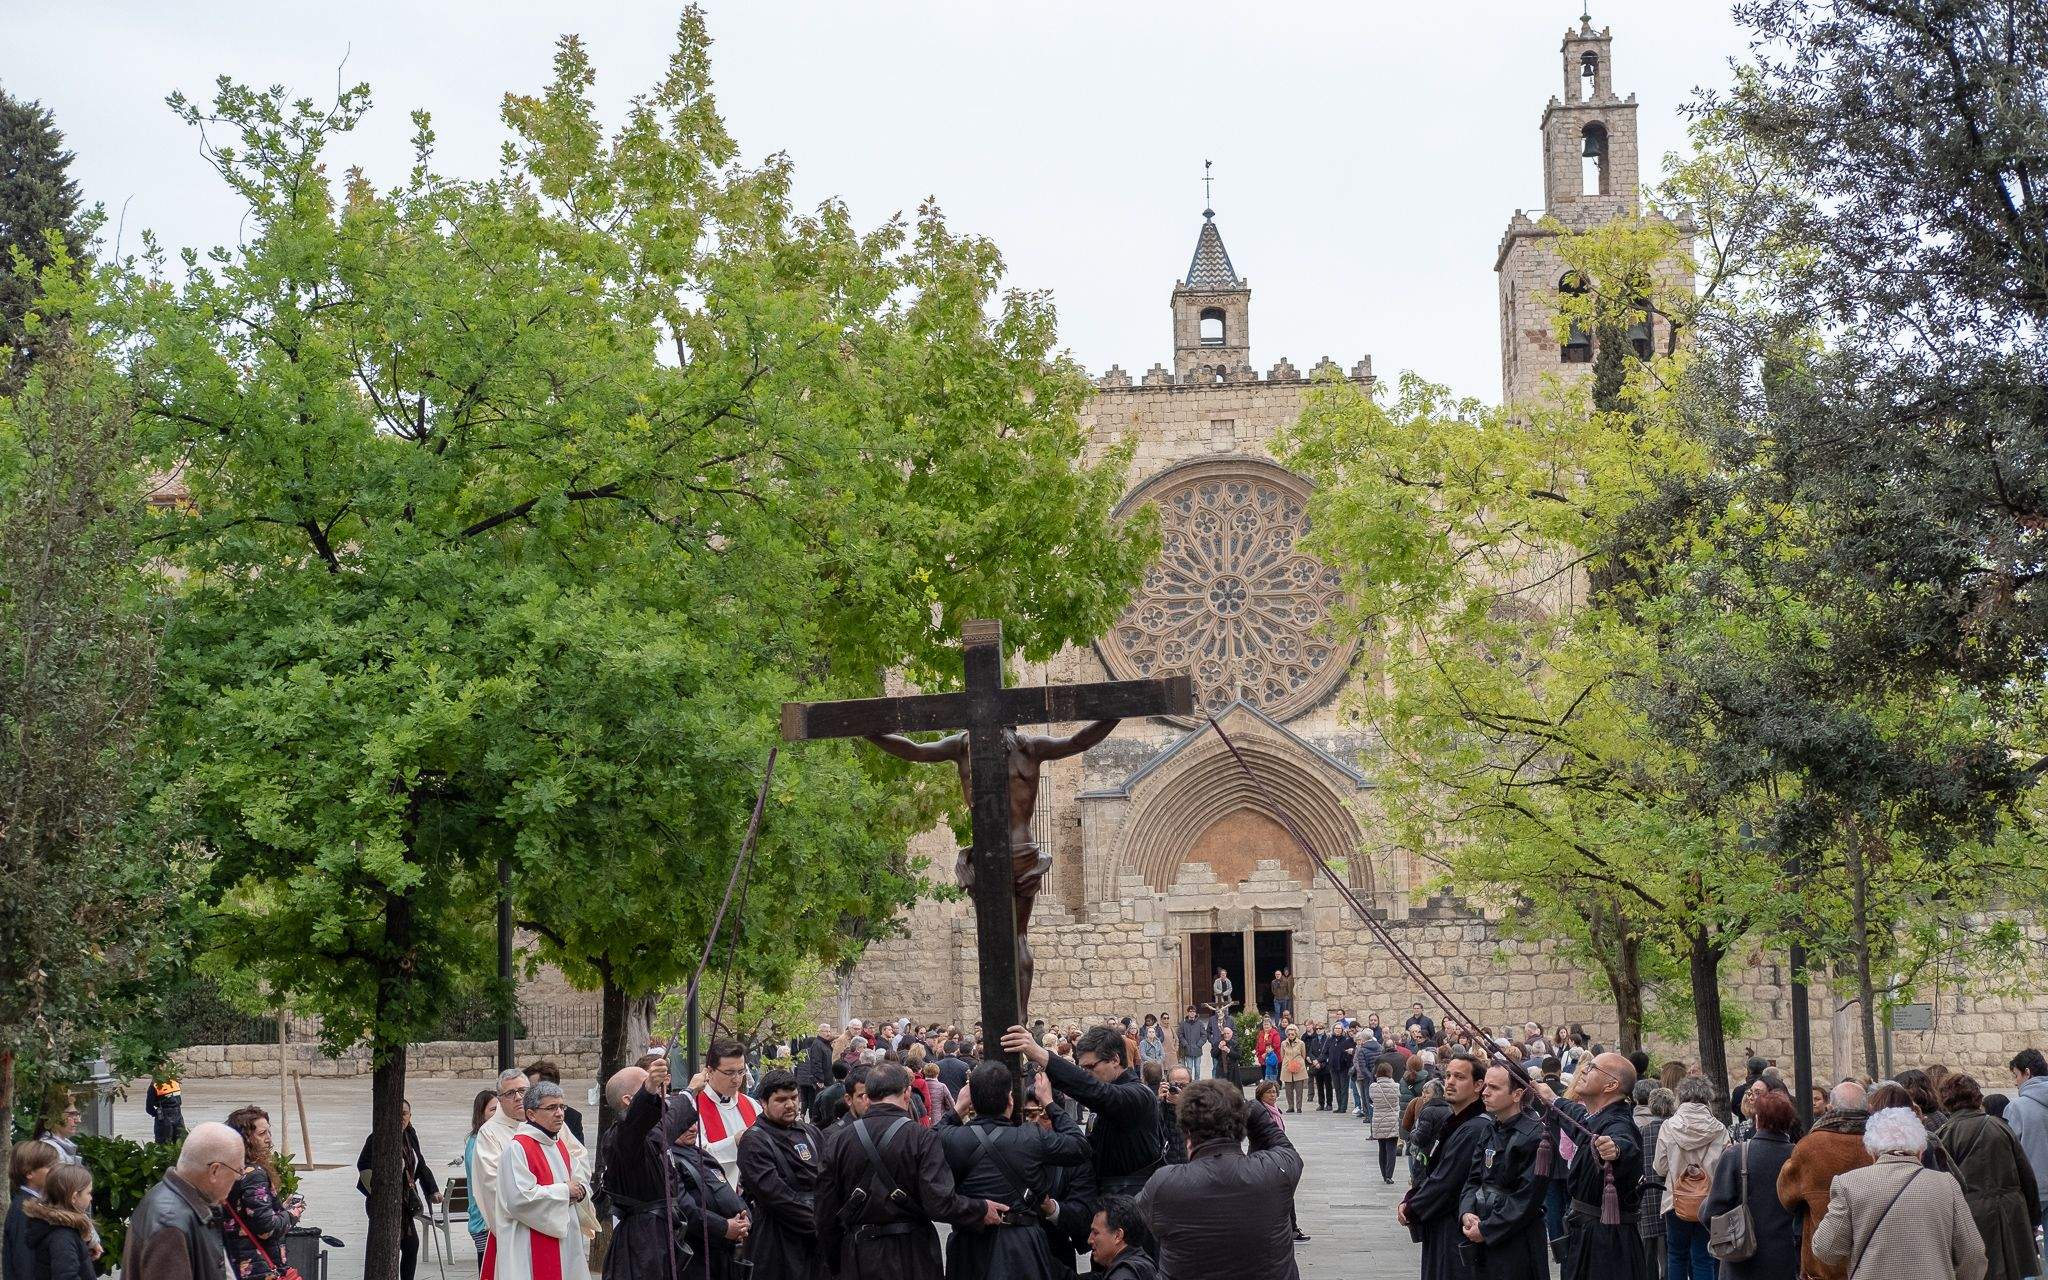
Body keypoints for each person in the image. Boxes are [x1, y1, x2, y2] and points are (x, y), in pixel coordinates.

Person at [815, 1062, 1002, 1280]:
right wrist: (979, 1208)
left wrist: (836, 1262)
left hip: (859, 1253)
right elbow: (939, 1202)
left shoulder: (838, 1140)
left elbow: (825, 1212)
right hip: (912, 1255)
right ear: (907, 1093)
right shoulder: (921, 1137)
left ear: (868, 1096)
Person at [935, 1060, 1089, 1280]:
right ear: (1010, 1099)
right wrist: (1049, 1103)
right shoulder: (1030, 1137)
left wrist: (957, 1110)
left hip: (970, 1242)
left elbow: (926, 1142)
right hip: (1021, 1243)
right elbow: (1079, 1145)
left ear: (972, 1102)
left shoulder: (952, 1137)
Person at [1137, 1077, 1302, 1280]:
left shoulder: (1164, 1184)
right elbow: (1284, 1147)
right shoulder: (1275, 1171)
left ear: (1186, 1130)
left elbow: (1132, 1222)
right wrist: (1254, 1111)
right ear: (1241, 1126)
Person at [1811, 1105, 1986, 1280]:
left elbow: (1825, 1249)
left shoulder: (1848, 1184)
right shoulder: (1946, 1185)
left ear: (1871, 1151)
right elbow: (1973, 1253)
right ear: (1921, 1151)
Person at [1004, 1025, 1165, 1198]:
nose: (1087, 1074)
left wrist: (1042, 1055)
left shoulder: (1138, 1095)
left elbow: (1097, 1092)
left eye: (1090, 1067)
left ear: (1115, 1060)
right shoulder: (1106, 1097)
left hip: (1132, 1201)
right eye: (1083, 1069)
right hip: (1106, 1196)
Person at [1530, 1050, 1647, 1279]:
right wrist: (1552, 1099)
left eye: (1592, 1068)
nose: (1583, 1069)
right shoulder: (1597, 1118)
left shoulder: (1618, 1123)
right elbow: (1578, 1120)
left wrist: (1615, 1150)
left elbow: (1626, 1145)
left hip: (1607, 1247)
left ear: (1611, 1085)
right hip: (1587, 1236)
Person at [1935, 1073, 2040, 1280]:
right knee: (2011, 1271)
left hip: (1972, 1216)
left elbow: (1942, 1184)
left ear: (1946, 1100)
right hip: (2011, 1212)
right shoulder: (2000, 1126)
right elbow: (2026, 1175)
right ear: (1977, 1096)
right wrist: (2033, 1218)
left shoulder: (1945, 1134)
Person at [494, 1081, 594, 1280]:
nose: (559, 1113)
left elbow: (579, 1181)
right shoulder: (518, 1148)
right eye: (551, 1108)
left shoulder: (559, 1144)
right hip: (530, 1240)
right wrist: (565, 1191)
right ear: (531, 1114)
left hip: (565, 1238)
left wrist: (581, 1190)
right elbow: (519, 1199)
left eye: (561, 1107)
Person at [1699, 1087, 1801, 1280]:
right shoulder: (1799, 1157)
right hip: (1785, 1258)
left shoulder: (1737, 1155)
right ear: (1789, 1123)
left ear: (1757, 1119)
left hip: (1741, 1257)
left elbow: (1711, 1213)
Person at [1401, 1051, 1486, 1280]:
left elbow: (1447, 1181)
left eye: (1459, 1077)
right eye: (1448, 1075)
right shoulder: (1455, 1122)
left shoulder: (1473, 1128)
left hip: (1455, 1226)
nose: (1449, 1081)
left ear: (1478, 1086)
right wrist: (1413, 1196)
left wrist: (1412, 1207)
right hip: (1441, 1225)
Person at [1458, 1064, 1549, 1279]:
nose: (1485, 1092)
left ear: (1517, 1094)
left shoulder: (1535, 1136)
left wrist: (1488, 1229)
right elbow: (1474, 1179)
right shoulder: (1490, 1128)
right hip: (1483, 1225)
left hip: (1515, 1238)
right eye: (1485, 1085)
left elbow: (1527, 1197)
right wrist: (1467, 1212)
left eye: (1494, 1088)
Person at [1777, 1079, 1872, 1280]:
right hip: (1870, 1261)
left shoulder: (1810, 1146)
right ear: (1867, 1107)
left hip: (1823, 1265)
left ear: (1831, 1107)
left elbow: (1786, 1197)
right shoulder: (1879, 1143)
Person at [122, 1121, 242, 1280]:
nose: (237, 1179)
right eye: (237, 1172)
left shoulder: (180, 1201)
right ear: (214, 1170)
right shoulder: (170, 1223)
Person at [734, 1069, 822, 1280]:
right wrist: (818, 1224)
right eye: (781, 1100)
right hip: (777, 1238)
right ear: (764, 1102)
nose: (790, 1105)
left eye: (793, 1098)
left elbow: (828, 1178)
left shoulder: (811, 1132)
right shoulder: (755, 1141)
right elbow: (775, 1195)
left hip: (816, 1236)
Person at [352, 1101, 439, 1280]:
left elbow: (420, 1164)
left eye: (405, 1114)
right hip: (383, 1203)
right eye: (397, 1114)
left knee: (411, 1245)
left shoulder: (410, 1135)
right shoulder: (377, 1137)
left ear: (410, 1116)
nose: (401, 1118)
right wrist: (379, 1189)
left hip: (405, 1202)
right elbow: (363, 1166)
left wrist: (433, 1190)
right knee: (390, 1247)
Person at [1653, 1076, 1726, 1280]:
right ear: (1707, 1099)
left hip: (1675, 1200)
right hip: (1708, 1200)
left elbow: (1660, 1167)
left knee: (1676, 1255)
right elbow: (1724, 1167)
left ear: (1681, 1097)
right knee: (1704, 1257)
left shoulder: (1668, 1126)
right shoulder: (1719, 1128)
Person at [225, 1107, 302, 1280]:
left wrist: (280, 1208)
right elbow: (266, 1228)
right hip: (257, 1267)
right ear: (245, 1139)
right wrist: (291, 1215)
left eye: (268, 1131)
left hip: (234, 1261)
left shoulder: (230, 1168)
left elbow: (248, 1214)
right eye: (261, 1134)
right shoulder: (254, 1174)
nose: (268, 1139)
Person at [473, 1067, 531, 1280]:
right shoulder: (489, 1133)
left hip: (548, 1222)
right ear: (500, 1098)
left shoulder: (544, 1123)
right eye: (510, 1094)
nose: (518, 1098)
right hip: (514, 1228)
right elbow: (493, 1183)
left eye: (523, 1091)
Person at [694, 1039, 761, 1186]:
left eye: (741, 1071)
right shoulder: (694, 1106)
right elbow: (697, 1155)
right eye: (729, 1073)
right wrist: (735, 1142)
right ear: (710, 1071)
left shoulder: (751, 1104)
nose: (736, 1079)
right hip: (716, 1193)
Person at [2004, 1048, 2048, 1255]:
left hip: (2031, 1188)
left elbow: (2008, 1152)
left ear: (2027, 1073)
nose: (2015, 1082)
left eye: (2016, 1075)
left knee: (2025, 1252)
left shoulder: (2017, 1108)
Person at [21, 1164, 94, 1280]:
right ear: (74, 1197)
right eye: (89, 1193)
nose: (91, 1198)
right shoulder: (63, 1236)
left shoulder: (53, 1226)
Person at [9, 1140, 62, 1280]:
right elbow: (23, 1259)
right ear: (29, 1173)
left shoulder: (35, 1203)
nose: (57, 1170)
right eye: (51, 1166)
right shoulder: (23, 1208)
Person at [1636, 1088, 1674, 1279]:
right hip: (1669, 1193)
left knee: (1648, 1248)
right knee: (1669, 1249)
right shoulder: (1675, 1131)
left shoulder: (1642, 1132)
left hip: (1647, 1193)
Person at [1086, 1196, 1158, 1280]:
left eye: (1095, 1233)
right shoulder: (1142, 1264)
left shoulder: (1123, 1275)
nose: (1089, 1240)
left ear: (1118, 1235)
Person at [464, 1089, 498, 1262]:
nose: (498, 1113)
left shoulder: (490, 1138)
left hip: (490, 1220)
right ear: (481, 1114)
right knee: (488, 1267)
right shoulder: (477, 1142)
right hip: (484, 1222)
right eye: (493, 1109)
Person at [525, 1062, 584, 1144]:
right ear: (531, 1114)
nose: (559, 1114)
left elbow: (578, 1153)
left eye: (531, 1089)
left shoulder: (572, 1118)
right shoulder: (520, 1115)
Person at [1369, 1062, 1403, 1184]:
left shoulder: (1373, 1087)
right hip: (1393, 1119)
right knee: (1391, 1148)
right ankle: (1389, 1175)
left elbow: (1371, 1099)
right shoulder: (1396, 1086)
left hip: (1378, 1119)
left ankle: (1384, 1174)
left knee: (1382, 1148)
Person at [797, 1023, 836, 1118]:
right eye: (826, 1031)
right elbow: (816, 1063)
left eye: (829, 1031)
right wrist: (820, 1080)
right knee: (819, 1104)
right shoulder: (818, 1044)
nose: (828, 1033)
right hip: (822, 1082)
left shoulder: (825, 1044)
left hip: (828, 1079)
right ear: (820, 1032)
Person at [145, 1077, 187, 1146]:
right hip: (178, 1115)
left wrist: (158, 1114)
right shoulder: (175, 1082)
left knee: (163, 1145)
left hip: (164, 1117)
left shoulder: (154, 1086)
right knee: (181, 1143)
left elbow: (149, 1108)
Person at [1279, 1025, 1309, 1113]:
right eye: (1289, 1034)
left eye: (1292, 1034)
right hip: (1287, 1067)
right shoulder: (1283, 1043)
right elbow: (1282, 1056)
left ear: (1296, 1034)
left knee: (1299, 1089)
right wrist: (1287, 1062)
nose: (1290, 1035)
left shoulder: (1301, 1043)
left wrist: (1298, 1063)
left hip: (1298, 1067)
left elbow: (1303, 1055)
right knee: (1288, 1090)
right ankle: (1290, 1106)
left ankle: (1299, 1107)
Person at [1175, 1008, 1208, 1080]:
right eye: (1190, 1011)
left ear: (1196, 1013)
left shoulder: (1200, 1023)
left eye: (1194, 1011)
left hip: (1197, 1050)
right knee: (1189, 1069)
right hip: (1188, 1050)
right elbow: (1180, 1035)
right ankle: (1189, 1083)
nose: (1192, 1013)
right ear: (1188, 1013)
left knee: (1197, 1069)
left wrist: (1199, 1045)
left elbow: (1204, 1035)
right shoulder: (1183, 1024)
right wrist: (1185, 1044)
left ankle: (1197, 1084)